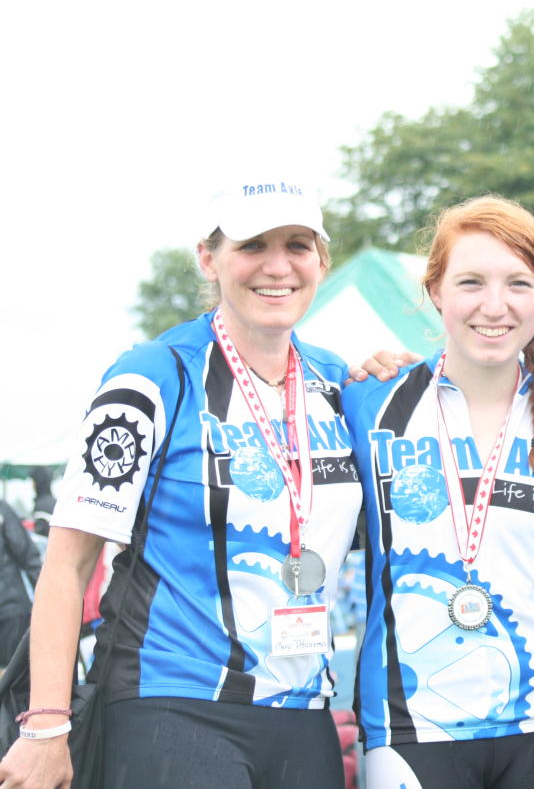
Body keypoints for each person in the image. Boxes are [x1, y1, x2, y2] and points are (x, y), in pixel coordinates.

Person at [0, 179, 363, 789]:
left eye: (298, 245)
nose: (278, 266)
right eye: (253, 246)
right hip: (171, 704)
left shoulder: (337, 382)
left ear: (321, 260)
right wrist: (44, 725)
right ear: (208, 258)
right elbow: (66, 565)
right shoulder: (151, 375)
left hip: (304, 711)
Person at [343, 196, 534, 788]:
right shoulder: (369, 404)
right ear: (436, 290)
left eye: (518, 283)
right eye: (471, 282)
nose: (494, 306)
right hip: (409, 732)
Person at [0, 499, 42, 670]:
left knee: (12, 670)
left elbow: (27, 555)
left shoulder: (3, 510)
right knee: (13, 673)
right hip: (10, 606)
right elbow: (27, 554)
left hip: (9, 608)